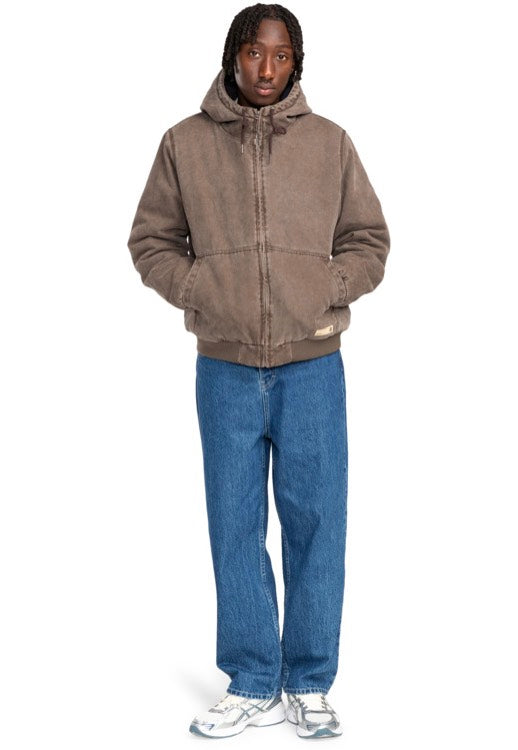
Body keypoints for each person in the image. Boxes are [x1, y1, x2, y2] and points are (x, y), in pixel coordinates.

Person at [127, 2, 390, 740]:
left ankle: (308, 682)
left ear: (297, 62)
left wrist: (325, 288)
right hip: (226, 370)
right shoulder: (184, 143)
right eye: (253, 52)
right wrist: (200, 290)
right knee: (234, 525)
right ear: (232, 56)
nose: (266, 68)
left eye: (280, 55)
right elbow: (150, 240)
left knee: (317, 525)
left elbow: (369, 240)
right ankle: (251, 680)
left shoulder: (330, 143)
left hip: (314, 368)